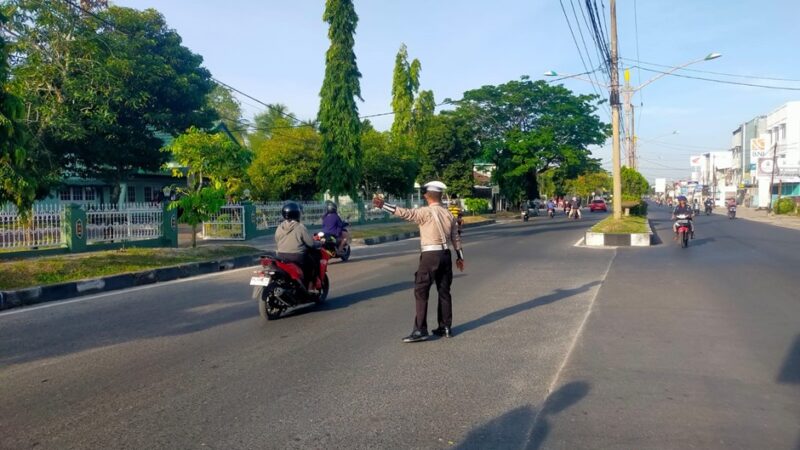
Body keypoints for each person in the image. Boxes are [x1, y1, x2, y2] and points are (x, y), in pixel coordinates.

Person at [373, 181, 465, 343]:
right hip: (446, 255)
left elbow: (405, 213)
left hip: (430, 256)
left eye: (424, 193)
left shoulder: (424, 212)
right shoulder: (448, 214)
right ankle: (445, 327)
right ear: (440, 196)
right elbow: (455, 237)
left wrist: (383, 205)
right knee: (444, 292)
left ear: (427, 196)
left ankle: (420, 330)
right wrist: (460, 257)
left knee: (421, 291)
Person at [275, 202, 321, 289]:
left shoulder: (279, 227)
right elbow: (310, 243)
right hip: (297, 256)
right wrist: (318, 243)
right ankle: (309, 286)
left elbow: (277, 240)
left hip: (280, 255)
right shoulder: (300, 227)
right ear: (297, 213)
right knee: (312, 264)